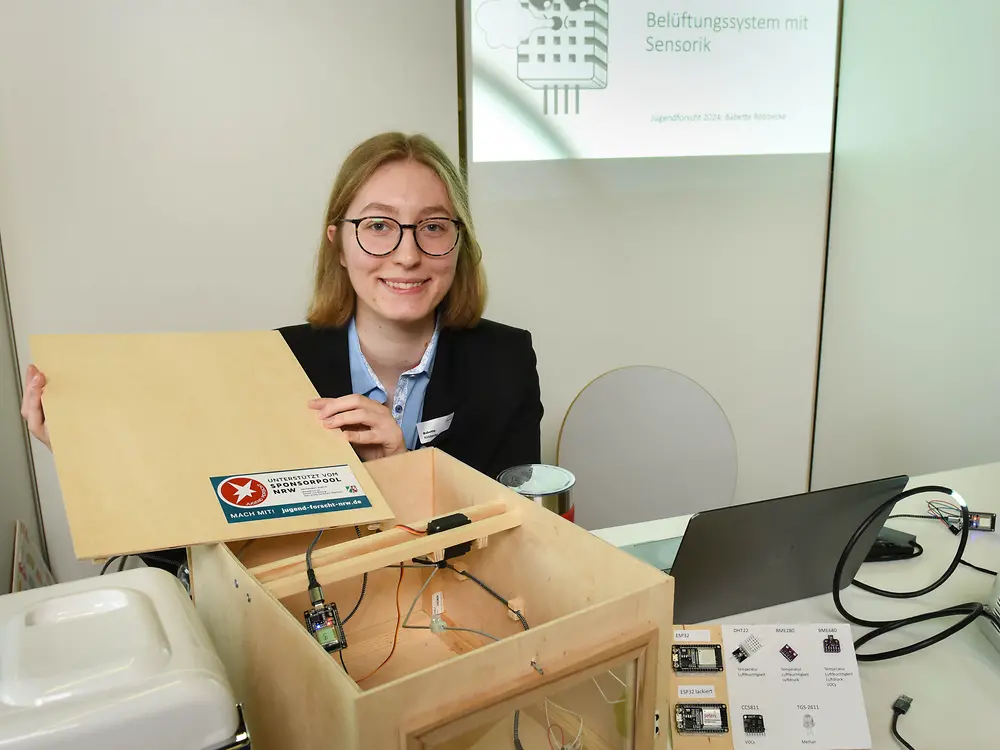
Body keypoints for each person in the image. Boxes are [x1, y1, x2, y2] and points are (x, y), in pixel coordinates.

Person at [21, 131, 543, 503]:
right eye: (379, 225)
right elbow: (205, 531)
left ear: (459, 242)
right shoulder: (275, 362)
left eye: (432, 227)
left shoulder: (506, 360)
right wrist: (79, 448)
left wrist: (403, 473)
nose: (407, 255)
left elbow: (526, 541)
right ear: (338, 244)